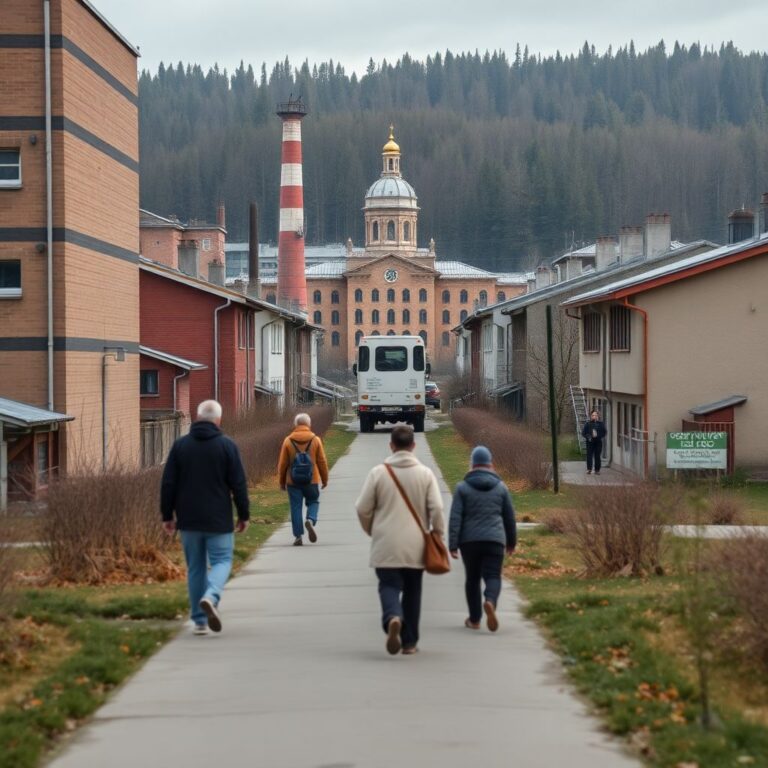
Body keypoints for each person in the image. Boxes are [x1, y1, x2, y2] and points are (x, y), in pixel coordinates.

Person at [161, 399, 250, 635]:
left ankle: (200, 621)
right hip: (218, 519)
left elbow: (168, 483)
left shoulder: (180, 446)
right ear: (218, 420)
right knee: (222, 561)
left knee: (196, 568)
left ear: (198, 417)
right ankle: (211, 596)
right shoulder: (227, 446)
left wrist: (167, 515)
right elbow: (239, 484)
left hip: (188, 519)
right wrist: (243, 514)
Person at [355, 425, 445, 656]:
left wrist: (372, 530)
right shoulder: (425, 474)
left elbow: (362, 508)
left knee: (388, 585)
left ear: (392, 446)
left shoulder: (378, 473)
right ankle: (409, 642)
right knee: (413, 591)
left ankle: (393, 617)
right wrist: (437, 534)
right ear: (413, 446)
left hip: (385, 542)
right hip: (416, 545)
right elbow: (436, 508)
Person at [449, 446, 516, 632]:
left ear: (472, 465)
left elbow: (456, 518)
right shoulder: (501, 488)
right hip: (495, 540)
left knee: (472, 579)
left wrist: (453, 544)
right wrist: (511, 542)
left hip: (469, 542)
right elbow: (509, 517)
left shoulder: (462, 488)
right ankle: (490, 601)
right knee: (493, 575)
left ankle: (475, 619)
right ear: (490, 464)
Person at [278, 413, 329, 546]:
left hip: (293, 481)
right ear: (309, 425)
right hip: (311, 480)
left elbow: (282, 464)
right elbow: (322, 461)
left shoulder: (288, 441)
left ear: (295, 425)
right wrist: (325, 479)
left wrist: (282, 482)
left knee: (295, 508)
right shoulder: (315, 440)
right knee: (313, 501)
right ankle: (311, 520)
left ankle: (298, 537)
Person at [582, 410, 607, 475]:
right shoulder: (588, 424)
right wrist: (588, 437)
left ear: (598, 416)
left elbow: (604, 432)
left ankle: (597, 470)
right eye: (593, 415)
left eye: (595, 415)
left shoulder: (601, 424)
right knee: (589, 456)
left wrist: (598, 436)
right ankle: (589, 469)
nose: (594, 416)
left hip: (598, 442)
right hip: (590, 442)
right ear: (591, 416)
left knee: (597, 456)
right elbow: (584, 433)